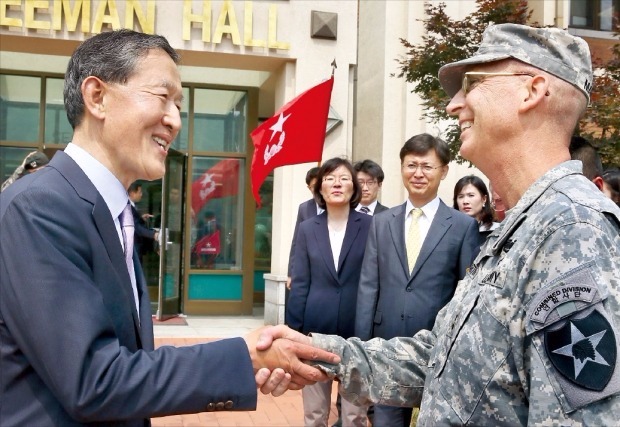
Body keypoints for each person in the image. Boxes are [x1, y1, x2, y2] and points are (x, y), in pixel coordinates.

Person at [258, 23, 620, 425]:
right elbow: (445, 359)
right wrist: (321, 353)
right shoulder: (525, 227)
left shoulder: (573, 229)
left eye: (473, 83)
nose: (455, 104)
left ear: (531, 91)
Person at [0, 29, 339, 425]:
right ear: (97, 97)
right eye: (163, 98)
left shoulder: (110, 211)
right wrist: (242, 356)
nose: (175, 120)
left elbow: (126, 361)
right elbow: (94, 380)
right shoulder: (40, 208)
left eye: (179, 104)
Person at [354, 133, 480, 427]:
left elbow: (467, 291)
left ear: (444, 171)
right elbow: (368, 285)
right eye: (411, 165)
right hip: (387, 347)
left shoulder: (462, 226)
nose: (418, 173)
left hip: (437, 350)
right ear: (401, 168)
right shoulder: (382, 222)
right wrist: (363, 347)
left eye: (427, 166)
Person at [286, 157, 371, 427]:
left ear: (354, 188)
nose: (336, 183)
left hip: (357, 332)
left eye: (344, 178)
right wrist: (294, 332)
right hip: (315, 331)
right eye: (329, 178)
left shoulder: (372, 227)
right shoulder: (308, 228)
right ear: (320, 189)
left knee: (355, 415)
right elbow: (300, 283)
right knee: (314, 414)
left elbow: (375, 280)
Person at [286, 166, 322, 290]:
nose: (318, 189)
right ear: (309, 188)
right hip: (309, 269)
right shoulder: (304, 208)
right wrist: (291, 273)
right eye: (314, 186)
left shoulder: (338, 206)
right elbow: (296, 242)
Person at [453, 174, 499, 241]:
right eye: (461, 196)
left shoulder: (496, 231)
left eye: (471, 195)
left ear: (484, 199)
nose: (465, 201)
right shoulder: (450, 232)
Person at [128, 181, 160, 261]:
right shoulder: (128, 208)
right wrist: (154, 234)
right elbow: (136, 227)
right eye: (139, 192)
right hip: (134, 248)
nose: (141, 194)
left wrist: (141, 218)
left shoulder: (131, 206)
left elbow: (134, 221)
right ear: (132, 193)